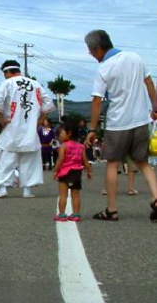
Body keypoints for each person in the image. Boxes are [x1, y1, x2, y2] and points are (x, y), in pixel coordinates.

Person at [84, 29, 157, 221]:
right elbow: (149, 83)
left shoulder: (104, 67)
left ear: (98, 48)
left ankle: (112, 210)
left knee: (112, 163)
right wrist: (155, 106)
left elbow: (97, 101)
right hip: (141, 119)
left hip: (118, 123)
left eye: (91, 51)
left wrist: (92, 129)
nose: (91, 55)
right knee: (143, 162)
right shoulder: (135, 57)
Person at [0, 60, 54, 199]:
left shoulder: (7, 83)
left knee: (6, 159)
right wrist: (41, 119)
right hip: (30, 128)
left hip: (12, 127)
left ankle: (3, 188)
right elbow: (48, 102)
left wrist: (1, 120)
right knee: (29, 159)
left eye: (4, 73)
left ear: (7, 72)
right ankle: (27, 190)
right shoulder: (35, 84)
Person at [52, 120, 92, 222]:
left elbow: (60, 160)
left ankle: (62, 215)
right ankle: (76, 214)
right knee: (76, 195)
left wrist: (55, 171)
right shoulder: (80, 146)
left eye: (61, 133)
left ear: (69, 133)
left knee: (63, 195)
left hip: (64, 173)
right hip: (76, 173)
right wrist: (89, 172)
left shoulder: (64, 146)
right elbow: (85, 160)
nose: (59, 135)